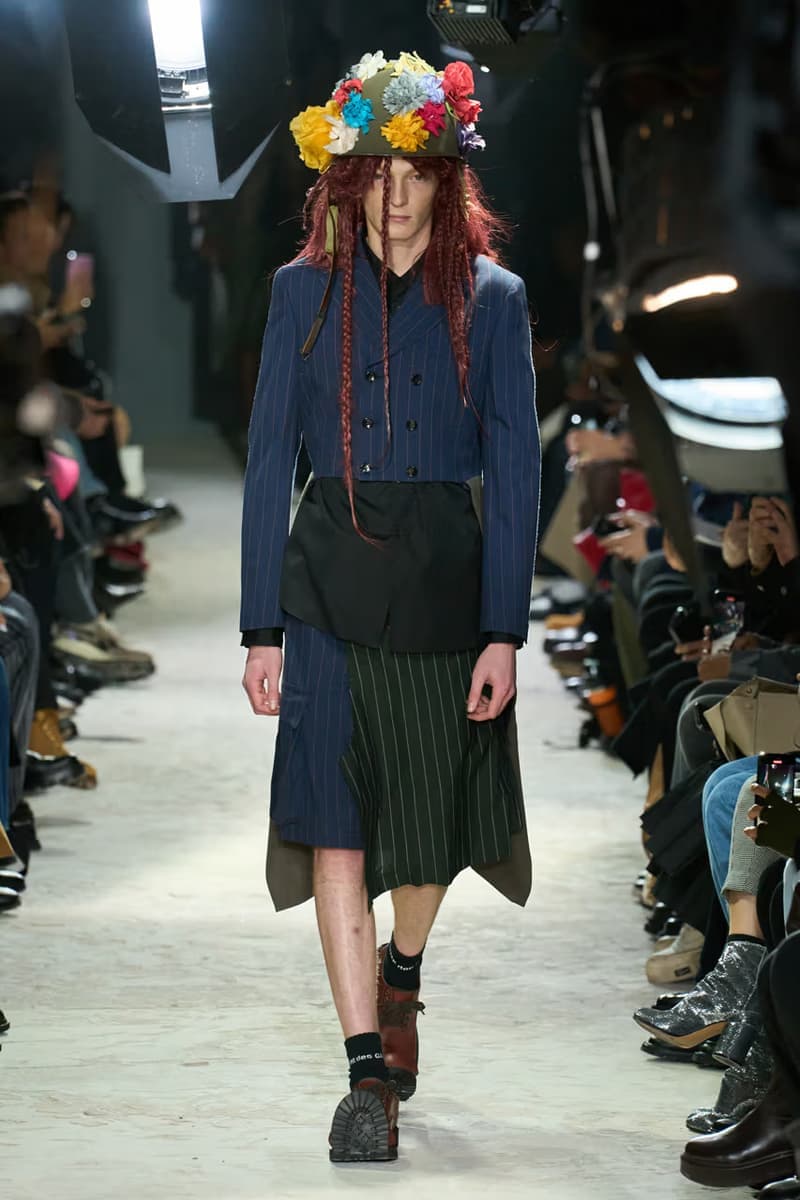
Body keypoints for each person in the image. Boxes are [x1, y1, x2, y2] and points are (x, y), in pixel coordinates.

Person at [240, 50, 540, 1163]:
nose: (396, 194)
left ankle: (402, 965)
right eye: (377, 172)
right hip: (325, 582)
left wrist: (503, 629)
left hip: (442, 591)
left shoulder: (492, 302)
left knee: (424, 835)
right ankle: (366, 1071)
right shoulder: (302, 292)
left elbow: (517, 473)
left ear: (446, 182)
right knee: (336, 826)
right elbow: (268, 462)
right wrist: (260, 626)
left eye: (416, 173)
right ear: (347, 179)